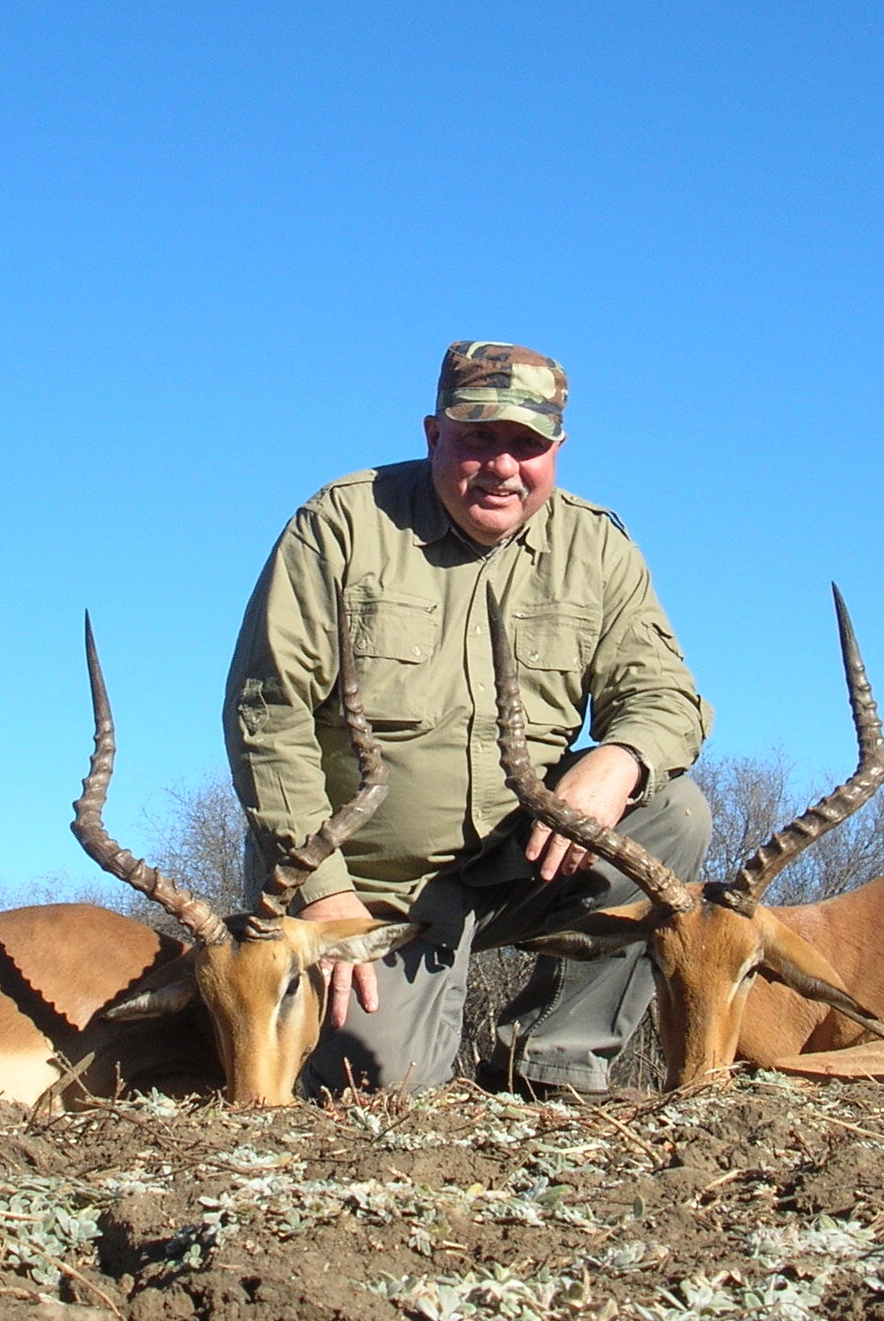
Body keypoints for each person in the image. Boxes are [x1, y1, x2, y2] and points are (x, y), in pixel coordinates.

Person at [223, 340, 713, 1097]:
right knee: (377, 1089)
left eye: (527, 445)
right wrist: (325, 896)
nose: (503, 466)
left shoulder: (598, 547)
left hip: (520, 862)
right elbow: (268, 717)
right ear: (432, 435)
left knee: (672, 814)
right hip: (366, 888)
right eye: (478, 438)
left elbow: (667, 697)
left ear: (557, 450)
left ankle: (554, 1066)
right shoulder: (341, 525)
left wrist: (619, 761)